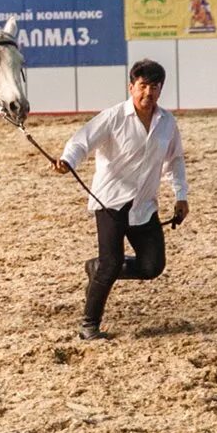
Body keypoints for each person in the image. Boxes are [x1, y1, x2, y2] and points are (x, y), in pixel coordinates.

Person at [52, 58, 189, 340]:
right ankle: (89, 326)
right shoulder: (113, 117)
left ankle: (96, 266)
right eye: (142, 86)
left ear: (160, 90)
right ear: (131, 87)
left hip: (144, 205)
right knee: (111, 264)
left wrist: (181, 196)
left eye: (154, 87)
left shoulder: (167, 122)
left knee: (153, 266)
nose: (147, 93)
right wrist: (68, 160)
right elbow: (81, 140)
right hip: (110, 202)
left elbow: (174, 160)